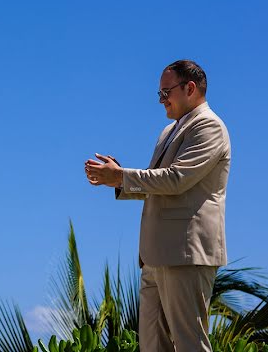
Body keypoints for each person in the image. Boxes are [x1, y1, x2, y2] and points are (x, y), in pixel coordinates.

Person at [85, 60, 230, 352]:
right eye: (159, 94)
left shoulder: (210, 126)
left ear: (189, 88)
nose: (162, 100)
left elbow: (177, 179)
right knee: (151, 345)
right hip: (154, 255)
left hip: (186, 254)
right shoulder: (169, 132)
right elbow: (158, 185)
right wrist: (118, 181)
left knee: (190, 344)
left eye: (166, 92)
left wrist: (122, 177)